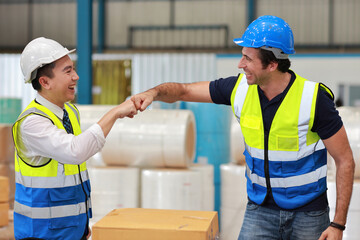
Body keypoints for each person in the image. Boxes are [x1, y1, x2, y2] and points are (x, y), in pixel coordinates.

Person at [131, 15, 355, 240]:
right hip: (260, 211)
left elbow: (345, 160)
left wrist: (338, 224)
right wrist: (153, 93)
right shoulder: (238, 89)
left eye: (247, 58)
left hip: (309, 214)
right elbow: (184, 91)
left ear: (272, 64)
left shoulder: (313, 99)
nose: (241, 64)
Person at [12, 37, 137, 240]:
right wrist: (114, 113)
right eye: (68, 71)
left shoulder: (70, 112)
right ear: (45, 82)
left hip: (71, 231)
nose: (76, 77)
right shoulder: (32, 123)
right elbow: (75, 151)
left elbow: (73, 174)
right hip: (42, 233)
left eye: (73, 69)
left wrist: (81, 224)